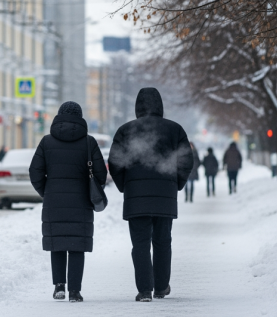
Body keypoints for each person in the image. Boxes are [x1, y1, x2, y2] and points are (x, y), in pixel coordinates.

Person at [108, 88, 194, 302]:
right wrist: (176, 184)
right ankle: (162, 287)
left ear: (138, 106)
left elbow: (115, 164)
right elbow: (186, 161)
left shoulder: (125, 130)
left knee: (140, 244)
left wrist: (125, 186)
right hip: (165, 196)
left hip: (136, 198)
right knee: (163, 242)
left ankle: (145, 291)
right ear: (160, 105)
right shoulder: (175, 130)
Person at [29, 101, 107, 303]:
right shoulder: (89, 142)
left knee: (58, 244)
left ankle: (59, 287)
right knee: (76, 245)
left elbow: (35, 171)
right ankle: (75, 291)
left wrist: (46, 191)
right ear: (80, 118)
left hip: (54, 201)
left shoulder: (46, 142)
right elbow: (101, 173)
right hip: (81, 201)